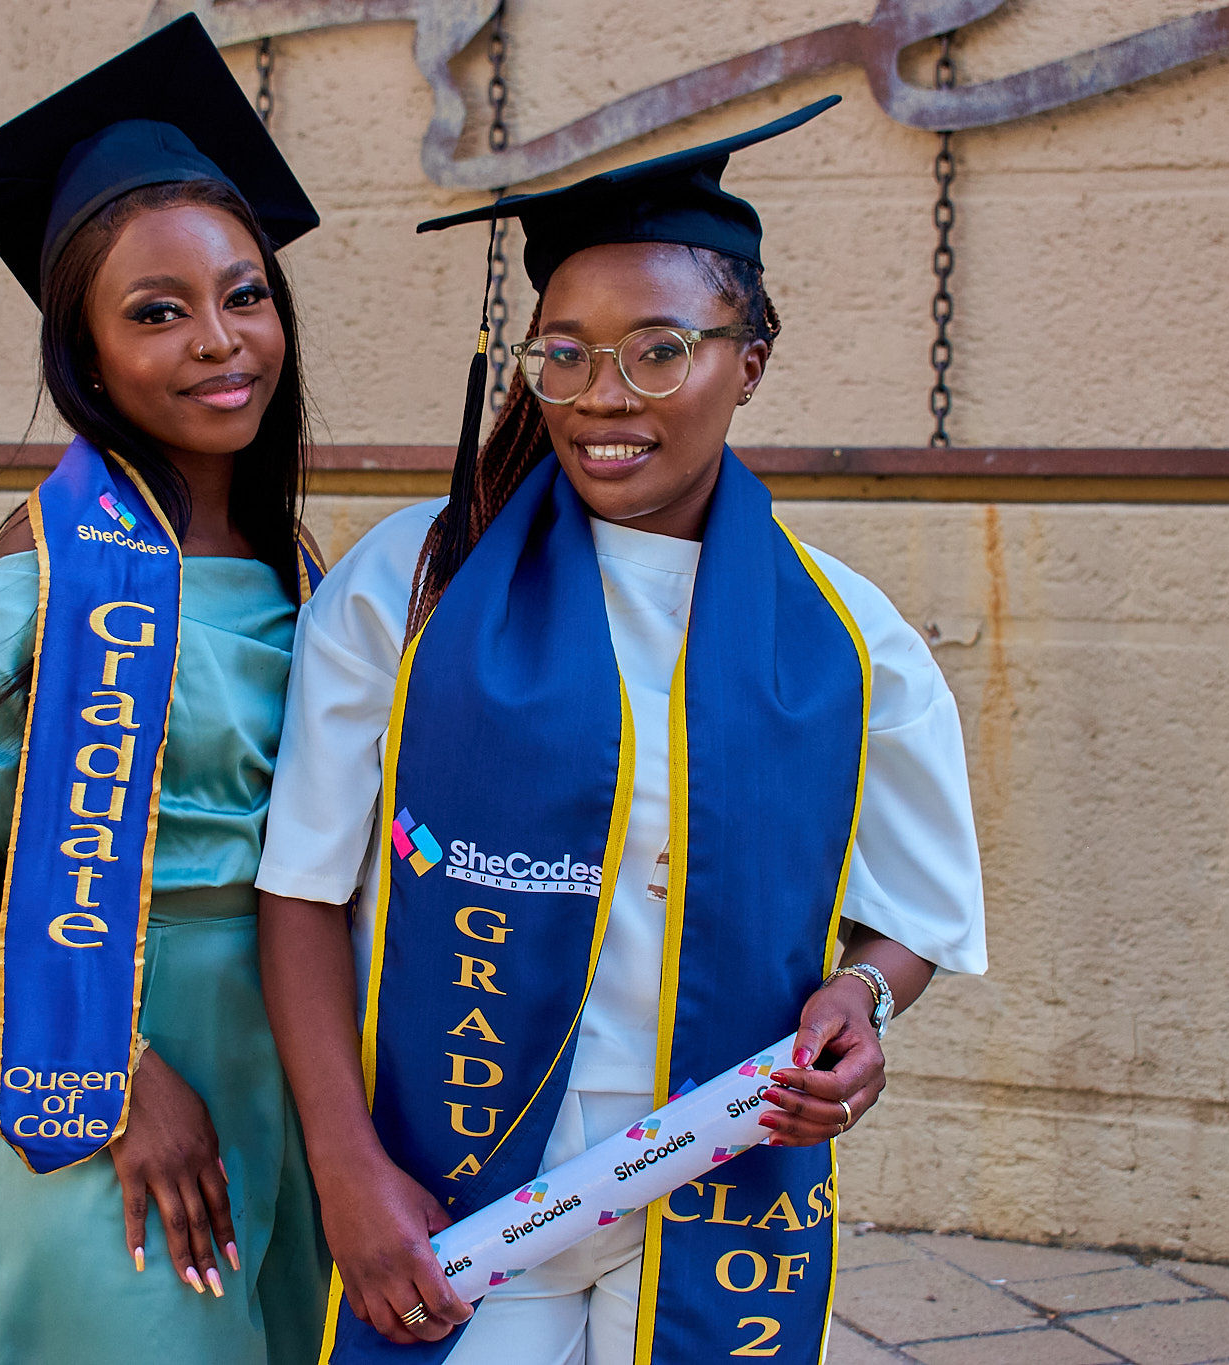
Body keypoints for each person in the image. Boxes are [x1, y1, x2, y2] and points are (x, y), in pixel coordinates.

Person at [253, 96, 988, 1364]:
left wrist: (861, 1001)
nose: (603, 397)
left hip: (721, 1173)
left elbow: (910, 919)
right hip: (456, 1182)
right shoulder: (411, 591)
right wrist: (342, 1164)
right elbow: (302, 889)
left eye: (659, 351)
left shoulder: (848, 644)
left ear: (747, 361)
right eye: (566, 353)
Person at [0, 17, 328, 1363]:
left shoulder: (294, 565)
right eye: (157, 312)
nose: (219, 341)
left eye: (244, 295)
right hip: (97, 1058)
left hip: (288, 1060)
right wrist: (115, 1084)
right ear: (87, 355)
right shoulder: (53, 580)